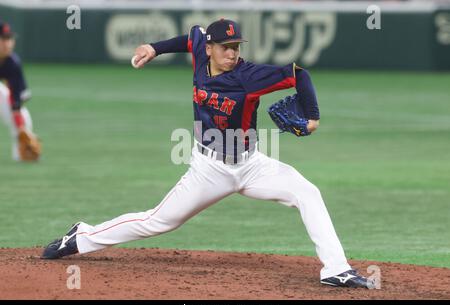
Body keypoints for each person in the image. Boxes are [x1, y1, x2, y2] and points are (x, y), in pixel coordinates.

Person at [42, 19, 372, 288]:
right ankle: (82, 236)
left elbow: (300, 74)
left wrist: (312, 118)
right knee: (158, 221)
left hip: (252, 165)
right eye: (226, 47)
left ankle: (335, 269)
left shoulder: (248, 76)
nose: (232, 53)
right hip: (208, 170)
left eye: (236, 47)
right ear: (211, 49)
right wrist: (153, 49)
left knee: (307, 192)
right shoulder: (202, 50)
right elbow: (190, 37)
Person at [0, 21, 39, 162]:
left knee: (24, 118)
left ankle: (20, 156)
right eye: (3, 39)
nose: (8, 43)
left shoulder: (13, 63)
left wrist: (21, 127)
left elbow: (15, 101)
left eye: (9, 39)